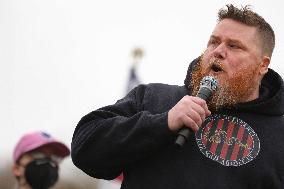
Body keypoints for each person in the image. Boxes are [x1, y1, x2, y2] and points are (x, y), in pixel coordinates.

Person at [71, 4, 284, 189]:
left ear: (262, 65)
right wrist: (162, 122)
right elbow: (84, 148)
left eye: (233, 45)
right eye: (213, 41)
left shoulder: (279, 135)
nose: (217, 51)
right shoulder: (154, 98)